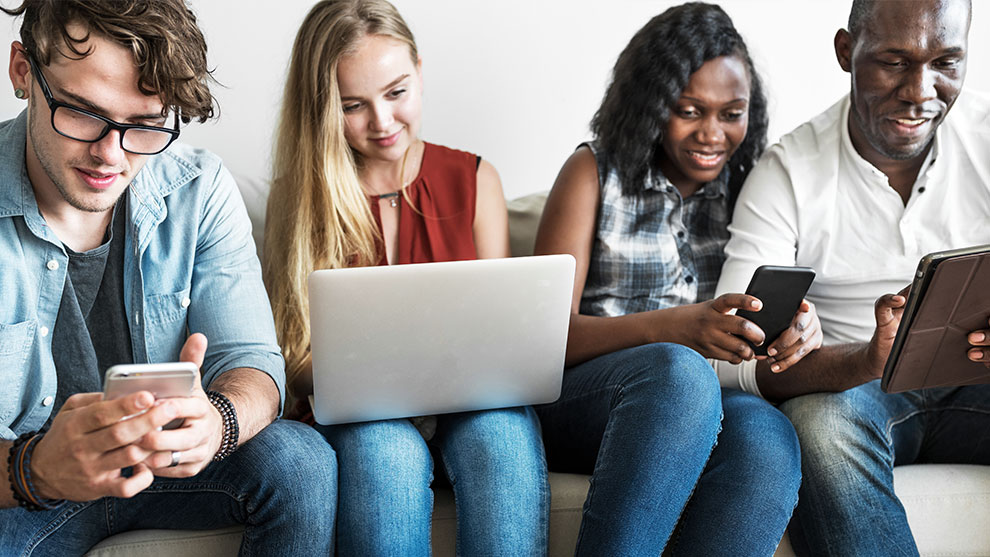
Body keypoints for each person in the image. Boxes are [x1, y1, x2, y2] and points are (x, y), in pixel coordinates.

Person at [0, 1, 336, 554]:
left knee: (300, 461)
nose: (111, 155)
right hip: (27, 490)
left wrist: (218, 421)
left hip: (169, 473)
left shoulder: (197, 190)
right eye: (83, 112)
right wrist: (33, 470)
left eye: (145, 125)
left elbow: (251, 360)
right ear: (22, 70)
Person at [263, 0, 549, 554]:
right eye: (353, 106)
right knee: (382, 449)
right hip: (365, 419)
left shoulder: (474, 179)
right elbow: (294, 358)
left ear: (420, 70)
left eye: (397, 93)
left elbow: (505, 339)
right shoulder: (298, 198)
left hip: (473, 408)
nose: (384, 122)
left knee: (502, 435)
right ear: (321, 108)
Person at [532, 3, 812, 555]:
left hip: (702, 398)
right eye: (690, 110)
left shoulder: (752, 188)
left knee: (769, 438)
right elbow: (542, 337)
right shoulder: (593, 173)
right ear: (651, 105)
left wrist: (797, 326)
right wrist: (673, 328)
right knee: (677, 372)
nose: (713, 134)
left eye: (732, 113)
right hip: (589, 398)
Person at [714, 0, 990, 553]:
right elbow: (726, 358)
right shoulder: (788, 173)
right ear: (846, 52)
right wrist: (865, 357)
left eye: (946, 62)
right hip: (857, 393)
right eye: (894, 61)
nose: (920, 91)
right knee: (820, 425)